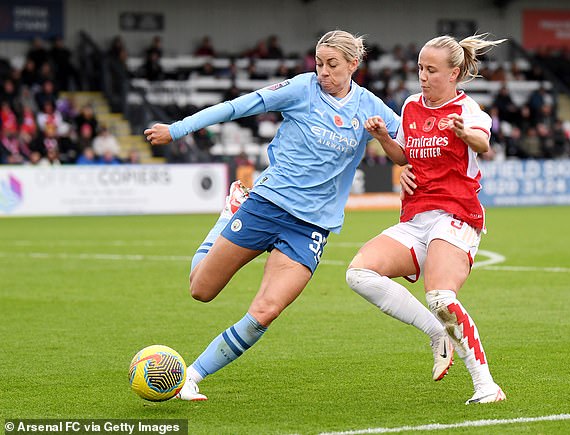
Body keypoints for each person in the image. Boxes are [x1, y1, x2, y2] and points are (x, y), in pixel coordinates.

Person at [143, 30, 429, 401]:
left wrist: (394, 149)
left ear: (353, 65)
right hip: (267, 205)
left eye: (332, 65)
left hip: (311, 227)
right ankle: (227, 215)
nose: (323, 71)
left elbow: (410, 150)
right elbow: (238, 106)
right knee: (201, 290)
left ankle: (191, 376)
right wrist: (178, 129)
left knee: (266, 311)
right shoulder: (302, 88)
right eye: (319, 62)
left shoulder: (370, 107)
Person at [347, 34, 507, 404]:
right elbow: (403, 158)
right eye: (420, 67)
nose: (422, 76)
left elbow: (483, 144)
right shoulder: (411, 106)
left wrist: (463, 133)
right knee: (358, 273)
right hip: (416, 216)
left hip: (456, 215)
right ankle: (436, 332)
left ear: (454, 73)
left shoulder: (469, 111)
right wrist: (384, 137)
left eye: (431, 70)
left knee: (440, 295)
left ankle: (486, 385)